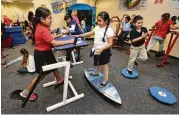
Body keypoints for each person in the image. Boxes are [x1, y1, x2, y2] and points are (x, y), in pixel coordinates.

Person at [20, 7, 74, 100]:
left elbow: (49, 36)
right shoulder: (42, 29)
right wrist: (70, 41)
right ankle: (26, 92)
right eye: (49, 18)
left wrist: (59, 35)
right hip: (41, 54)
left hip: (45, 51)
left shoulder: (41, 26)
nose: (51, 20)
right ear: (42, 19)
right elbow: (54, 43)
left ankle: (59, 79)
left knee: (54, 65)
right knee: (41, 75)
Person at [75, 11, 114, 87]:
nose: (98, 22)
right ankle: (96, 72)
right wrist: (80, 35)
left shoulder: (109, 30)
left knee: (105, 66)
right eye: (98, 20)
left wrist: (102, 49)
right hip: (96, 49)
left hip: (104, 51)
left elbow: (110, 43)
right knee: (98, 62)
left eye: (100, 21)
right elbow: (90, 33)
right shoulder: (97, 27)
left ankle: (105, 80)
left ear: (106, 21)